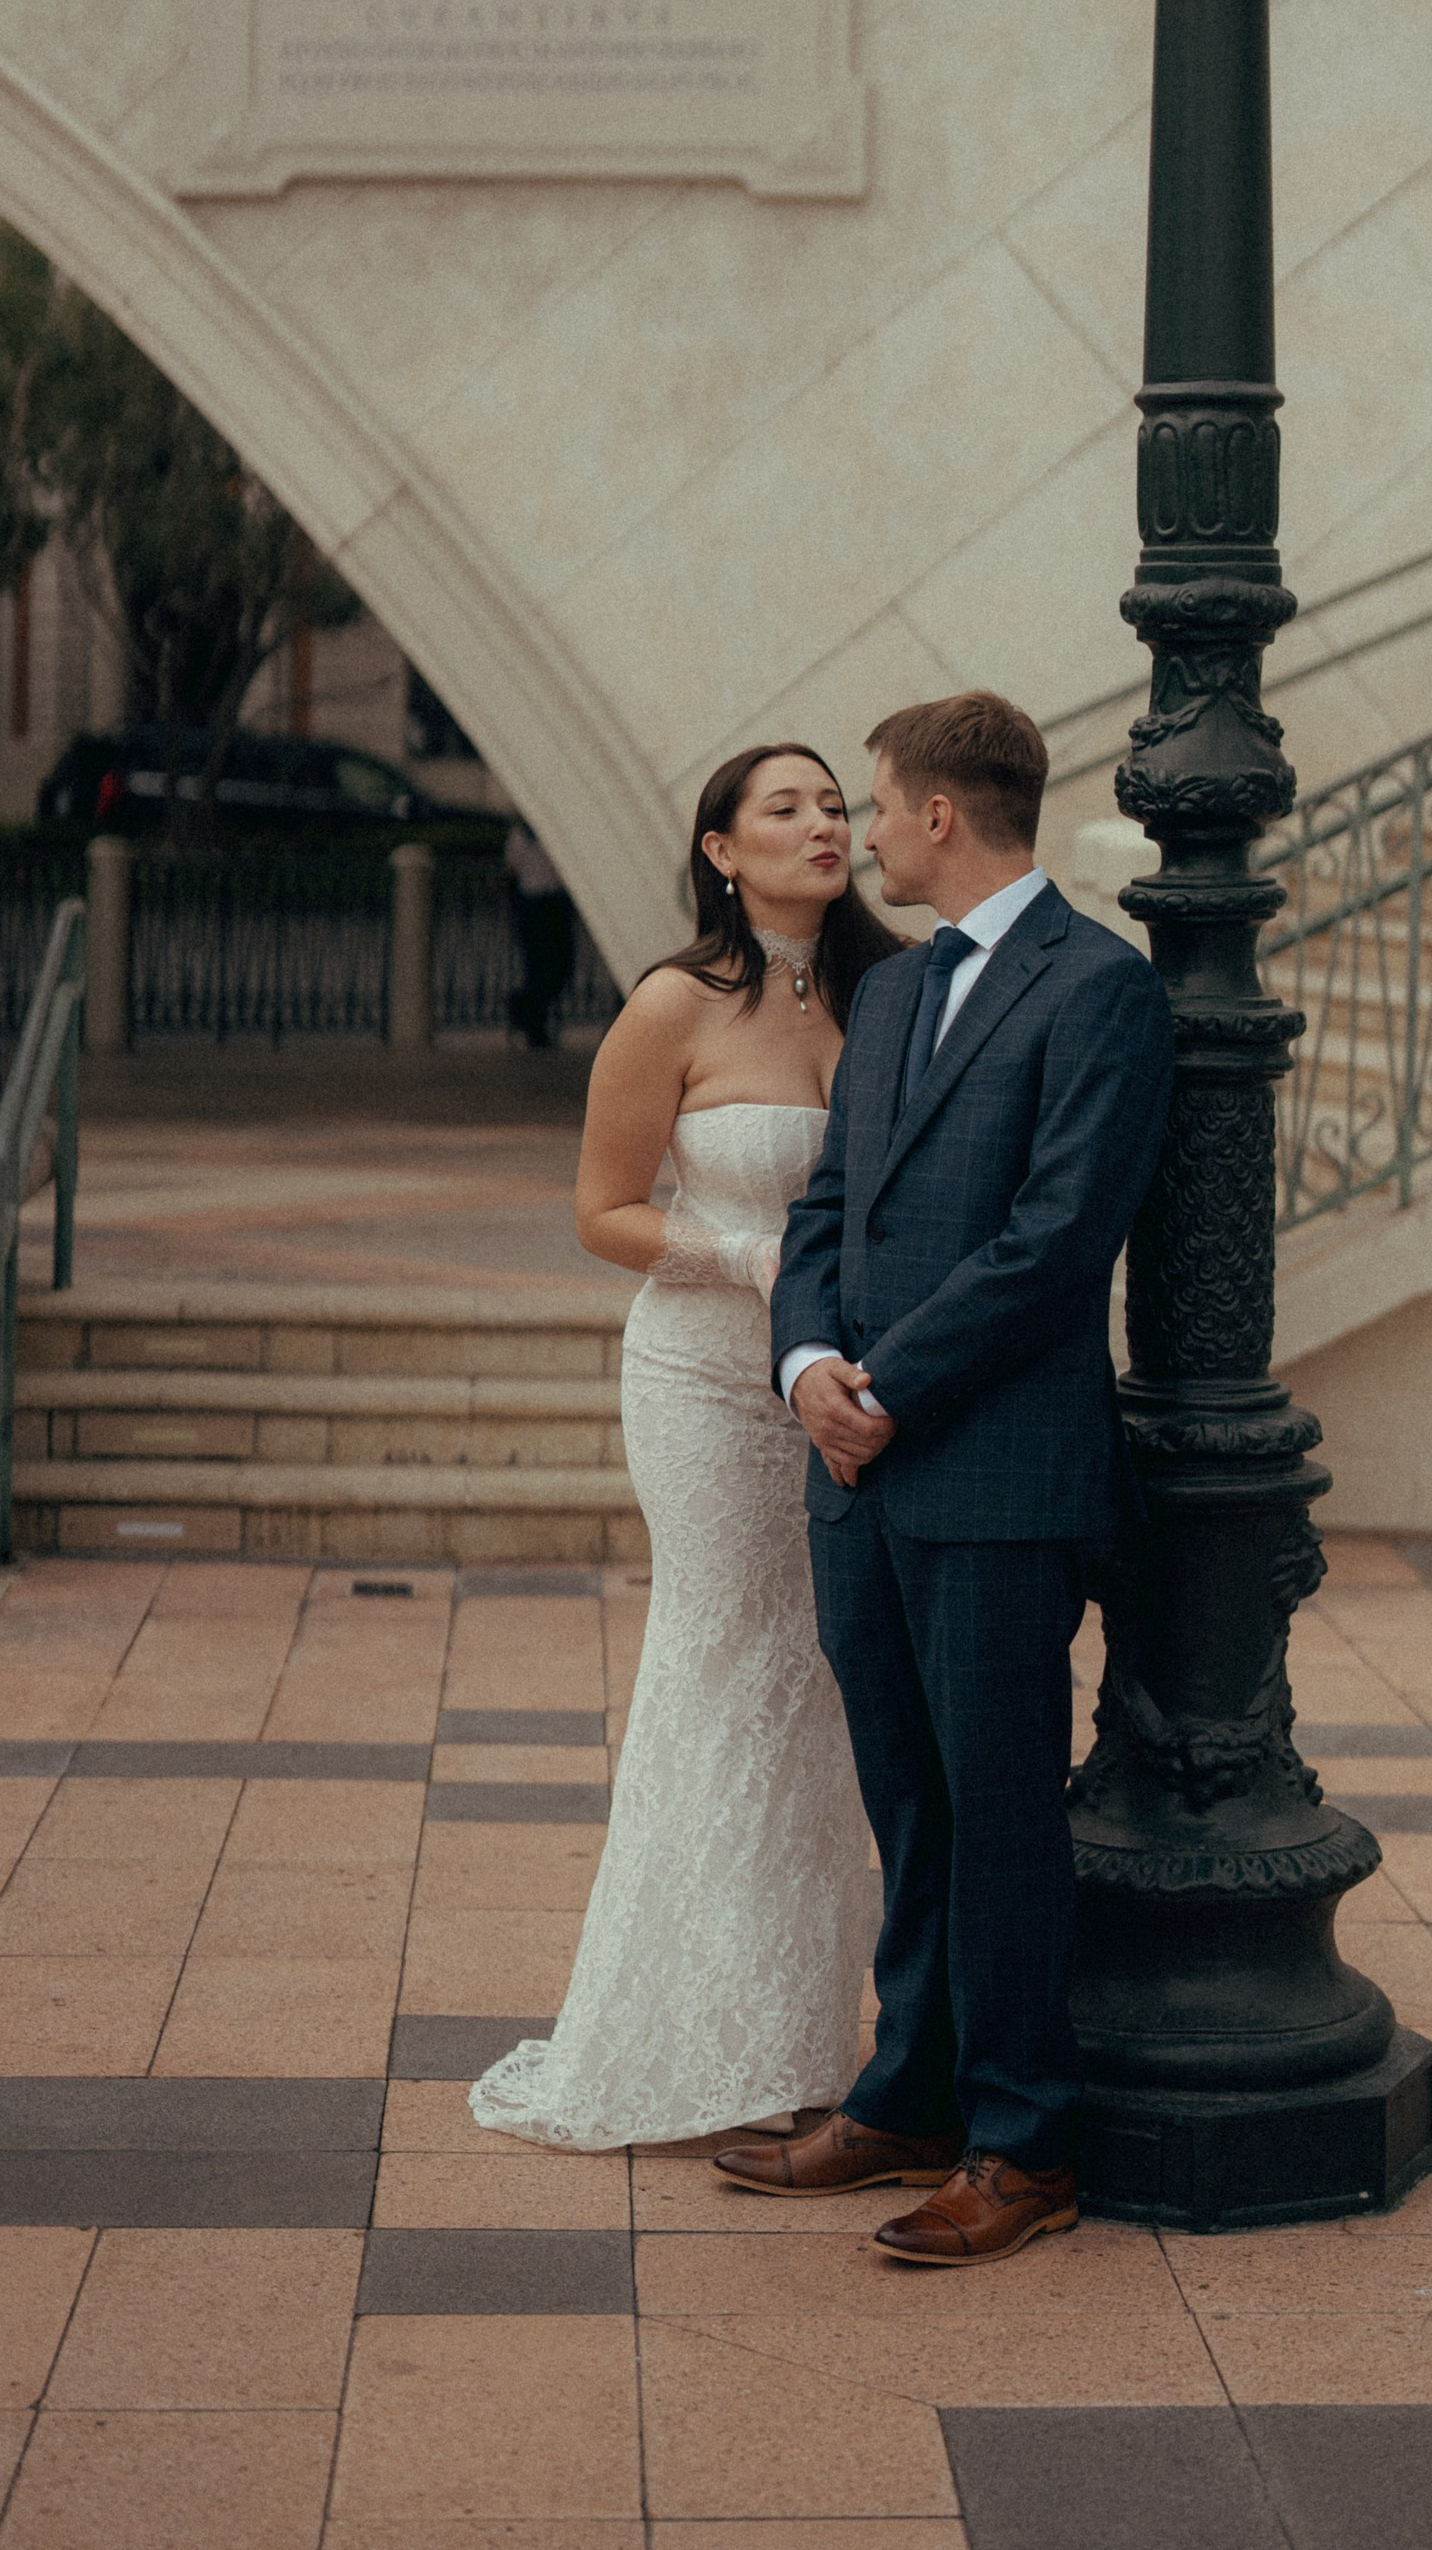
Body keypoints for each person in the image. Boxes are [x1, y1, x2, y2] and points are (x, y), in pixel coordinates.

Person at [716, 691, 1174, 2266]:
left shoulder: (1102, 989)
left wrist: (887, 1388)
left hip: (995, 1478)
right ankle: (903, 2091)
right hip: (861, 1473)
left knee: (999, 1817)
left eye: (878, 805)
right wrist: (806, 1372)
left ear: (937, 818)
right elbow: (830, 1207)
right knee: (906, 1805)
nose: (859, 834)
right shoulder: (898, 993)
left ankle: (1023, 2139)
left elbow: (1056, 1245)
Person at [470, 745, 906, 2149]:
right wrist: (749, 1253)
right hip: (707, 1383)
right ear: (722, 849)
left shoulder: (892, 989)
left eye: (837, 804)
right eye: (786, 807)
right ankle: (687, 2034)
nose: (823, 824)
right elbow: (603, 1212)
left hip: (859, 1388)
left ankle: (802, 2030)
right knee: (731, 1665)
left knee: (836, 1687)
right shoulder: (672, 1002)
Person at [505, 822, 576, 1049]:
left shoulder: (549, 831)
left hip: (553, 902)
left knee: (560, 964)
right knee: (539, 966)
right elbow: (512, 868)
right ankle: (533, 1022)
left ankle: (524, 1007)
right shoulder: (521, 835)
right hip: (535, 904)